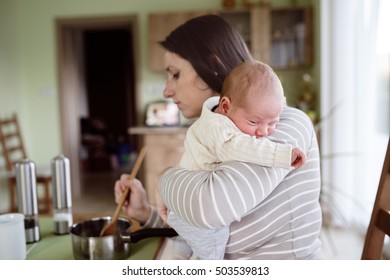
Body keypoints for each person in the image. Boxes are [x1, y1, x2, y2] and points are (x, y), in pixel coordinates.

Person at [114, 14, 323, 259]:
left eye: (175, 74)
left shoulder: (285, 125)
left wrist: (164, 179)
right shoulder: (212, 134)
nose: (166, 90)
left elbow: (211, 207)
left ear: (212, 66)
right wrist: (145, 213)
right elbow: (203, 233)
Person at [169, 60, 307, 260]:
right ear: (225, 106)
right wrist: (283, 154)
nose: (263, 132)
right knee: (214, 241)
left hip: (182, 203)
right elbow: (242, 147)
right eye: (254, 122)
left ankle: (180, 255)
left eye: (273, 123)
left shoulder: (222, 115)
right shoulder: (221, 130)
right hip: (195, 209)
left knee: (184, 240)